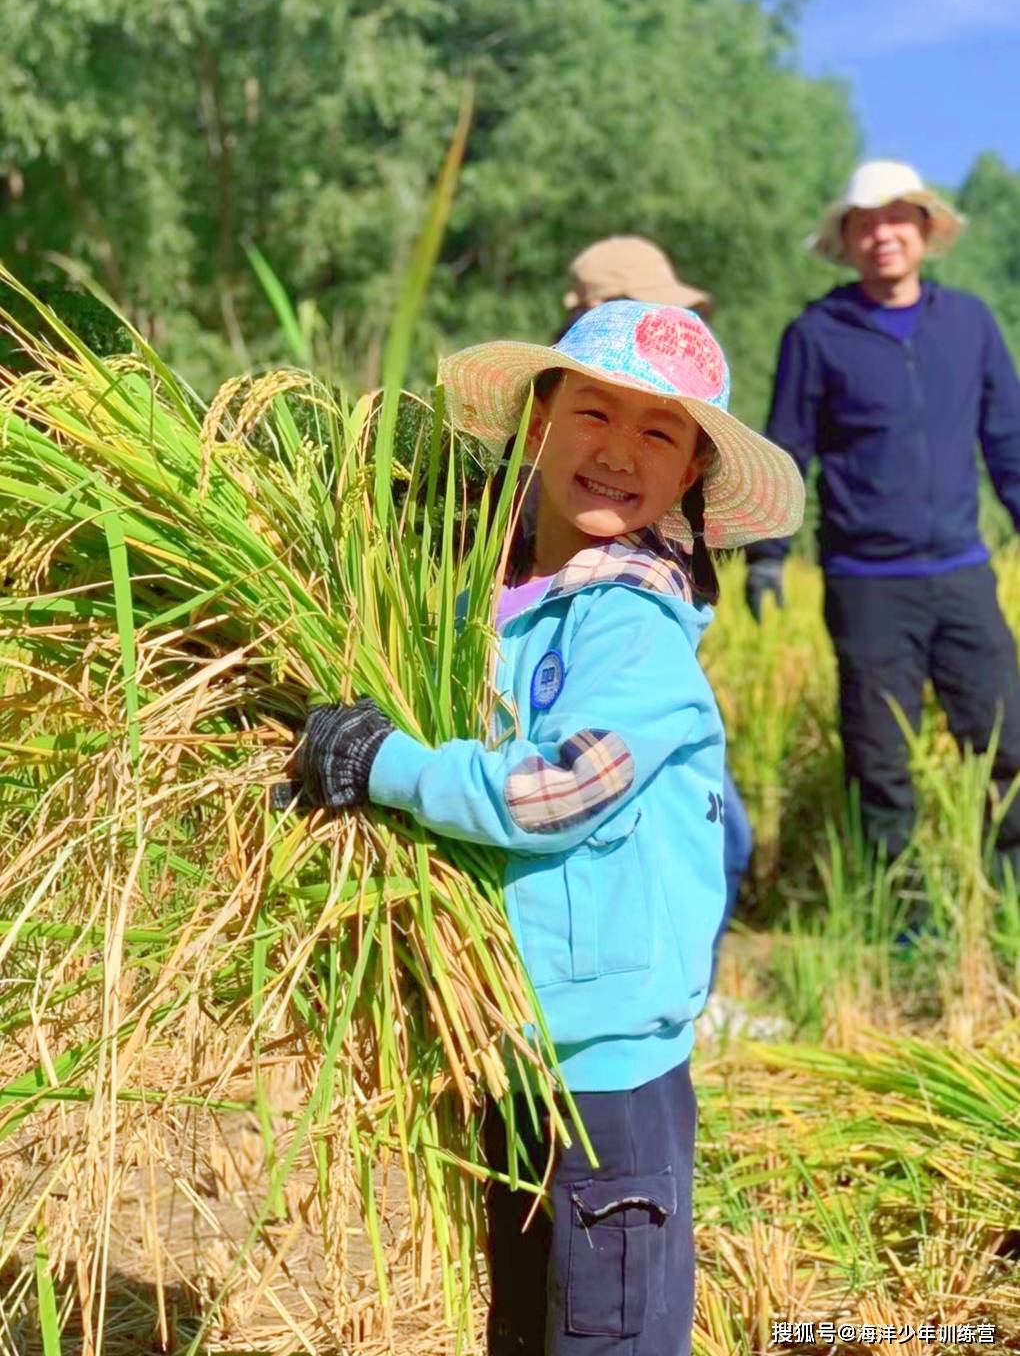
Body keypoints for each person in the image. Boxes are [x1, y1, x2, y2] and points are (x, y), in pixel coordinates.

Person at [287, 300, 803, 1354]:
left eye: (659, 432)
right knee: (527, 1323)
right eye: (594, 413)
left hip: (607, 1067)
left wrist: (385, 766)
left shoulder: (634, 623)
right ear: (536, 424)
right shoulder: (496, 599)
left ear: (693, 476)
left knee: (605, 1329)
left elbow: (557, 791)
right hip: (515, 1048)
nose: (618, 451)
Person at [745, 159, 1020, 879]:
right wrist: (769, 552)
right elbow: (787, 447)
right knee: (879, 756)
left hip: (962, 575)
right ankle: (897, 912)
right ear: (848, 241)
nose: (883, 236)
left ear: (926, 230)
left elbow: (1008, 442)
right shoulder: (817, 333)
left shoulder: (969, 323)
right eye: (864, 224)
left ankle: (1010, 891)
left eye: (897, 219)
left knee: (1006, 742)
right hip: (867, 583)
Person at [559, 235, 754, 938]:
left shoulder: (644, 595)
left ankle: (683, 986)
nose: (620, 448)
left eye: (659, 435)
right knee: (726, 843)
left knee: (726, 841)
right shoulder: (541, 480)